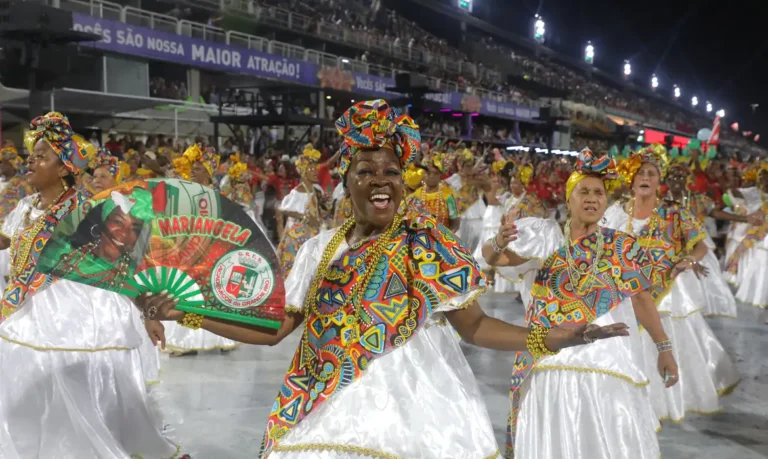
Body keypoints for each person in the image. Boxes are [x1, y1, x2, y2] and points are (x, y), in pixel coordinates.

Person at [136, 100, 629, 459]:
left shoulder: (426, 242)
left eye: (391, 171)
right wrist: (188, 311)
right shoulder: (317, 249)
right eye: (365, 170)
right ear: (345, 181)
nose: (379, 179)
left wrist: (544, 339)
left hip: (414, 412)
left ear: (403, 180)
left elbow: (475, 326)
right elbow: (274, 330)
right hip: (321, 402)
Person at [0, 112, 178, 458]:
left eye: (41, 156)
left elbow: (122, 266)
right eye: (31, 155)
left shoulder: (87, 211)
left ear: (65, 167)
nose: (31, 161)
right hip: (26, 308)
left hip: (75, 316)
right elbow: (8, 244)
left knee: (69, 392)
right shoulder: (24, 206)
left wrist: (149, 311)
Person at [482, 148, 676, 459]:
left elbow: (641, 297)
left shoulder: (621, 246)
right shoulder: (544, 236)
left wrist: (664, 347)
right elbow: (497, 258)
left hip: (609, 360)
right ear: (569, 198)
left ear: (605, 201)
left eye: (598, 193)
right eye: (583, 191)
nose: (592, 198)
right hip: (550, 358)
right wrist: (498, 241)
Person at [604, 144, 739, 423]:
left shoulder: (674, 212)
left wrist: (687, 262)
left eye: (651, 173)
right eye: (640, 173)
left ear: (658, 180)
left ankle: (665, 401)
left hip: (667, 290)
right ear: (631, 178)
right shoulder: (616, 211)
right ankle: (629, 400)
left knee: (666, 342)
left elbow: (701, 246)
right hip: (625, 292)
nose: (645, 178)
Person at [162, 144, 240, 356]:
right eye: (192, 169)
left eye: (197, 169)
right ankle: (186, 341)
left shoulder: (219, 195)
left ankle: (220, 336)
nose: (192, 173)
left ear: (208, 171)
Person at [666, 159, 762, 318]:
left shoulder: (696, 199)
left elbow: (716, 213)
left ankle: (694, 316)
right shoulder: (658, 201)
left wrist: (745, 219)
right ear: (666, 181)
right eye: (673, 177)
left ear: (687, 179)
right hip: (669, 249)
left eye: (680, 176)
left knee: (701, 287)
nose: (677, 180)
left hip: (697, 248)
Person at [475, 161, 544, 295]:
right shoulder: (507, 197)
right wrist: (494, 185)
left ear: (523, 184)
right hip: (509, 236)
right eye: (512, 183)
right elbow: (491, 201)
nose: (513, 186)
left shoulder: (530, 199)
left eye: (516, 183)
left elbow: (537, 216)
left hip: (523, 236)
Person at [275, 147, 327, 276]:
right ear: (303, 172)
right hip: (297, 240)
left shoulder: (315, 189)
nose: (315, 172)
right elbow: (282, 210)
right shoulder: (298, 191)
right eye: (311, 169)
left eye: (315, 168)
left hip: (311, 236)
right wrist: (305, 218)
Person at [724, 162, 768, 310]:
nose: (762, 179)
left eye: (765, 176)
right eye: (760, 175)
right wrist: (730, 183)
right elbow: (736, 193)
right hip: (750, 229)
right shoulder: (753, 191)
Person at [0, 146, 35, 293]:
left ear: (13, 164)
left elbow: (31, 210)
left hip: (10, 239)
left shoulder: (23, 185)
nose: (0, 165)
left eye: (3, 162)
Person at [406, 152, 459, 230]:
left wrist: (445, 239)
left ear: (441, 176)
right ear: (424, 174)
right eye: (428, 173)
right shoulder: (416, 195)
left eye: (435, 173)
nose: (431, 176)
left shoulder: (448, 196)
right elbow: (409, 221)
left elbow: (455, 225)